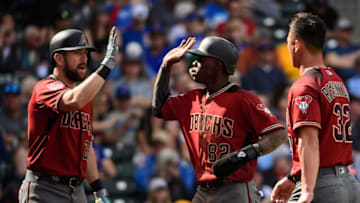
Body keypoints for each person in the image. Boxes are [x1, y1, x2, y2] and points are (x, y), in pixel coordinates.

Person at [152, 36, 287, 202]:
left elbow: (278, 134)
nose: (194, 64)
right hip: (203, 189)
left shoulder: (243, 100)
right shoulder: (190, 99)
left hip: (234, 189)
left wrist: (247, 153)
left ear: (217, 65)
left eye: (201, 60)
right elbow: (158, 108)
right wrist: (166, 67)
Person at [18, 27, 119, 203]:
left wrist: (98, 189)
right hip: (44, 189)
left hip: (77, 191)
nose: (84, 59)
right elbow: (73, 100)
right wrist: (107, 64)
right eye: (77, 53)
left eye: (86, 53)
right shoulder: (45, 88)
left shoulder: (84, 98)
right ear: (59, 58)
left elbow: (86, 147)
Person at [271, 12, 360, 203]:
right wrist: (292, 177)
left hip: (322, 184)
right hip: (349, 183)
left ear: (296, 45)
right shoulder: (337, 80)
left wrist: (308, 190)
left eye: (288, 42)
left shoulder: (305, 85)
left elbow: (309, 141)